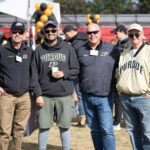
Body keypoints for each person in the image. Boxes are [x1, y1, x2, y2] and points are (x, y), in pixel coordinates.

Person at [30, 18, 79, 150]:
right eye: (47, 30)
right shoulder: (39, 51)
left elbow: (76, 70)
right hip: (44, 96)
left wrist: (64, 74)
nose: (50, 32)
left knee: (64, 127)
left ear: (58, 30)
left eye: (53, 30)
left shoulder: (68, 48)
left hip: (64, 94)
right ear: (44, 32)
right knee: (44, 127)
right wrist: (38, 94)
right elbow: (33, 75)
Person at [76, 23, 120, 150]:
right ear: (86, 35)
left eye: (95, 32)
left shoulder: (112, 50)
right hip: (86, 97)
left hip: (105, 97)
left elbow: (121, 69)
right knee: (94, 130)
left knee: (107, 130)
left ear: (100, 33)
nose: (92, 35)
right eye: (89, 33)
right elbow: (75, 71)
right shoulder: (80, 50)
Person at [116, 23, 150, 150]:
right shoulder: (125, 52)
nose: (134, 36)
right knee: (132, 131)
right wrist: (119, 88)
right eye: (131, 34)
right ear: (128, 36)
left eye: (137, 34)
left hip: (144, 98)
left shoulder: (148, 51)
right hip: (125, 98)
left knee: (147, 132)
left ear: (142, 35)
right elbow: (119, 72)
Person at [0, 21, 32, 150]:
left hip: (24, 97)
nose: (17, 34)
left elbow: (33, 71)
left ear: (23, 34)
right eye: (14, 32)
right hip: (6, 96)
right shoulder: (2, 50)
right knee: (4, 131)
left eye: (20, 32)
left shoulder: (29, 51)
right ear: (10, 33)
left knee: (19, 131)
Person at [63, 25, 87, 127]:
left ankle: (82, 119)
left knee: (79, 95)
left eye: (66, 33)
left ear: (72, 31)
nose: (65, 35)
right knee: (84, 95)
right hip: (86, 72)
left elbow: (75, 59)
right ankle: (86, 117)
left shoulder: (76, 43)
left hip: (78, 72)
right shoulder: (83, 38)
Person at [111, 24, 131, 130]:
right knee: (117, 99)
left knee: (119, 99)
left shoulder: (128, 42)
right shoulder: (119, 42)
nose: (115, 35)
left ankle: (117, 122)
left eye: (116, 33)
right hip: (117, 73)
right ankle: (117, 120)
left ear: (122, 32)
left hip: (123, 74)